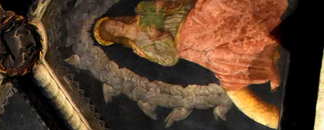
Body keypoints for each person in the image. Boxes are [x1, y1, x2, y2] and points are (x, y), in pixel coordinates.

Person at [92, 1, 286, 94]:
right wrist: (160, 37)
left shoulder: (142, 10)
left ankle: (267, 38)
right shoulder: (141, 47)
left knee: (217, 4)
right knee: (223, 45)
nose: (117, 26)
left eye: (113, 23)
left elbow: (170, 4)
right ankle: (267, 48)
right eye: (113, 30)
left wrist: (160, 8)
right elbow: (169, 59)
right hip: (187, 41)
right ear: (115, 37)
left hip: (191, 17)